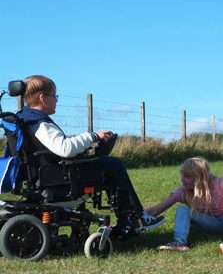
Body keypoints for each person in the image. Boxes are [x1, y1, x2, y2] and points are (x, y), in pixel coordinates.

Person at [17, 75, 164, 231]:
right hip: (59, 175)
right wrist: (92, 136)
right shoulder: (40, 123)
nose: (57, 100)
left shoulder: (25, 118)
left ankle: (130, 218)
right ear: (43, 98)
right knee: (113, 165)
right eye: (55, 96)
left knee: (105, 163)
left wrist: (84, 147)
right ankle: (133, 218)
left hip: (48, 171)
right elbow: (65, 148)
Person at [146, 157, 223, 254]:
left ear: (199, 178)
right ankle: (179, 242)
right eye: (182, 174)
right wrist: (137, 214)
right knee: (182, 209)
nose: (182, 179)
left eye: (187, 176)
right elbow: (155, 210)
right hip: (211, 223)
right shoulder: (183, 191)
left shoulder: (220, 185)